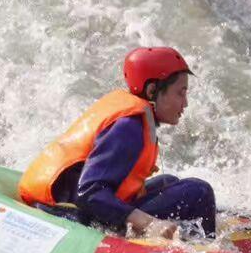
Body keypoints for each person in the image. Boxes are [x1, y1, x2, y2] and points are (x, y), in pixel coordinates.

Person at [18, 47, 216, 239]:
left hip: (74, 203)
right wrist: (149, 223)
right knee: (199, 191)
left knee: (169, 181)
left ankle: (187, 236)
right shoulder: (129, 127)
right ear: (152, 90)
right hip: (73, 214)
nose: (185, 103)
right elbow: (89, 193)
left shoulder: (134, 118)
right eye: (180, 93)